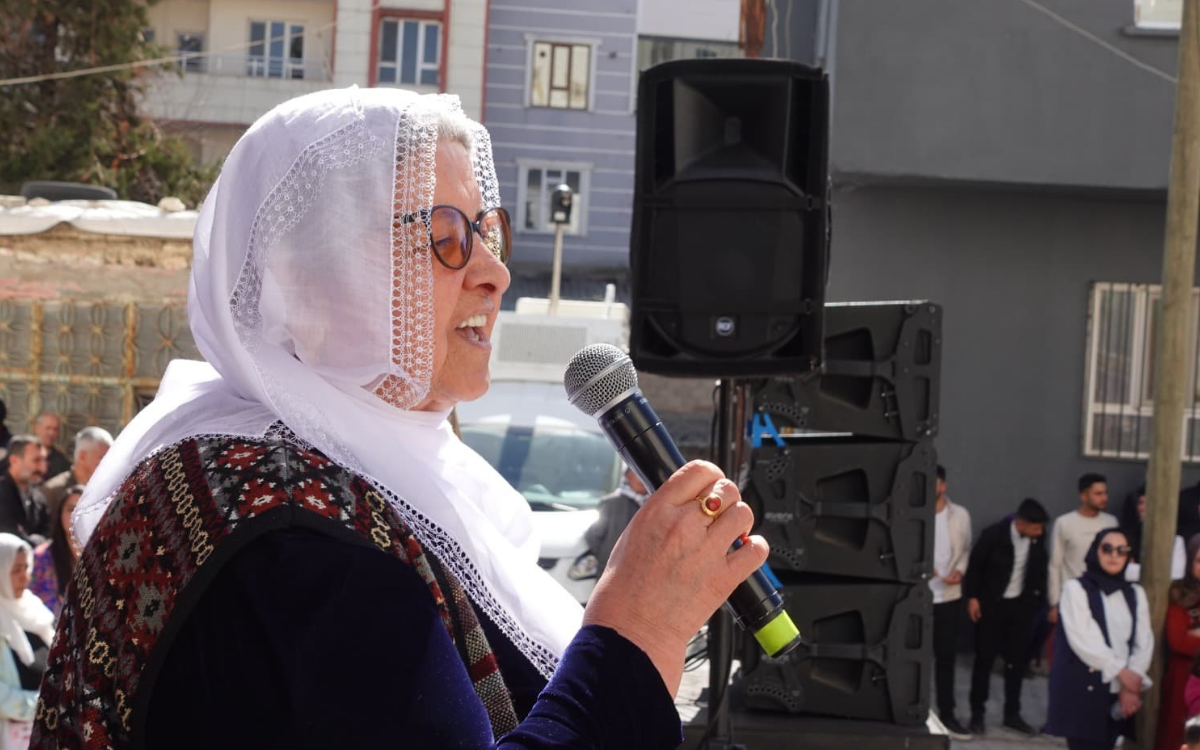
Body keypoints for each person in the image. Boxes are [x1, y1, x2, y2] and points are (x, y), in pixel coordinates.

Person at [30, 89, 771, 750]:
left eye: (488, 230)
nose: (495, 271)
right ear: (316, 275)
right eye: (443, 236)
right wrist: (634, 634)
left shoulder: (278, 476)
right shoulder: (301, 538)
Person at [1045, 528, 1152, 750]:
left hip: (1120, 691)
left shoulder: (1135, 593)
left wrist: (1130, 687)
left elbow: (1144, 642)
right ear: (1096, 551)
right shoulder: (1076, 589)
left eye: (1122, 551)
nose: (1114, 555)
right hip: (1083, 689)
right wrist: (1123, 674)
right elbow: (1084, 639)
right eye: (1107, 548)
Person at [963, 497, 1049, 735]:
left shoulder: (1038, 540)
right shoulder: (993, 535)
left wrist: (1035, 599)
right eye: (1035, 527)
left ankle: (1012, 714)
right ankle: (977, 715)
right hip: (991, 607)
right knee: (984, 662)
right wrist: (973, 597)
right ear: (1022, 523)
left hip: (1020, 609)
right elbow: (975, 567)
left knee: (1016, 664)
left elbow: (1040, 567)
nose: (1039, 532)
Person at [929, 465, 973, 739]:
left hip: (949, 596)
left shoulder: (960, 515)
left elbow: (965, 549)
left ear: (943, 485)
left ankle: (947, 715)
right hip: (918, 595)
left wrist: (961, 571)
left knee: (946, 657)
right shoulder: (913, 513)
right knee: (913, 658)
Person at [0, 534, 55, 750]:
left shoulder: (33, 609)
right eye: (15, 570)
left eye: (26, 567)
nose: (25, 577)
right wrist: (44, 705)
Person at [1049, 474, 1118, 625]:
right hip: (1073, 596)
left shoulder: (1111, 522)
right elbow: (1055, 564)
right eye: (1098, 494)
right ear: (1083, 496)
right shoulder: (1064, 523)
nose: (1104, 498)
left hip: (1103, 596)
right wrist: (1054, 603)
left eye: (1105, 493)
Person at [1157, 534, 1200, 750]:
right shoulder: (1180, 594)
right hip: (1184, 678)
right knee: (1178, 737)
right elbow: (1179, 641)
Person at [29, 484, 82, 617]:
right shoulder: (41, 557)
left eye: (83, 509)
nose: (76, 515)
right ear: (60, 514)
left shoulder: (103, 556)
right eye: (71, 509)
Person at [584, 467, 650, 575]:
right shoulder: (611, 503)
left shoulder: (654, 504)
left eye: (645, 474)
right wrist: (606, 559)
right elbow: (593, 536)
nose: (641, 478)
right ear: (627, 476)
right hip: (612, 573)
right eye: (637, 473)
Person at [39, 427, 111, 516]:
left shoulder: (109, 490)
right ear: (82, 456)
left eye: (110, 459)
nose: (108, 464)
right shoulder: (53, 491)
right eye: (102, 458)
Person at [1123, 486, 1185, 582]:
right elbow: (1124, 571)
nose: (1143, 507)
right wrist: (1163, 571)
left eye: (1149, 503)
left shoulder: (1175, 539)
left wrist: (1136, 568)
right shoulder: (1125, 537)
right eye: (1141, 503)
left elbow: (1176, 574)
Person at [0, 438, 49, 544]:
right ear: (14, 461)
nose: (42, 467)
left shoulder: (39, 497)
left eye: (44, 460)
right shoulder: (2, 493)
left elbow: (47, 531)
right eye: (36, 460)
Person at [31, 415, 68, 481]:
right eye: (48, 428)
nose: (52, 433)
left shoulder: (61, 461)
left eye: (55, 429)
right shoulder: (22, 452)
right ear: (37, 428)